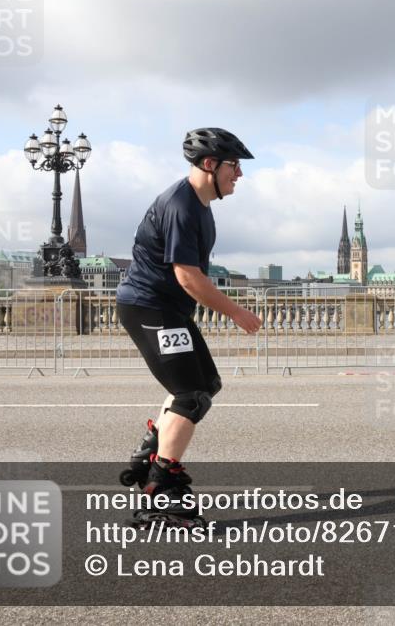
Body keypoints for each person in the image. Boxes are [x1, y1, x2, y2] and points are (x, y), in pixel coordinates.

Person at [115, 127, 262, 525]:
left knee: (206, 386)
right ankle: (159, 489)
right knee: (190, 395)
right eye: (235, 166)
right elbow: (188, 278)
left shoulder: (199, 204)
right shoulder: (181, 205)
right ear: (210, 164)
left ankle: (151, 453)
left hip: (166, 310)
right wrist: (237, 312)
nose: (240, 175)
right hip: (149, 308)